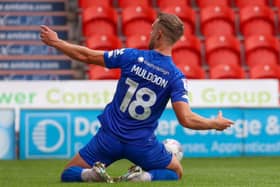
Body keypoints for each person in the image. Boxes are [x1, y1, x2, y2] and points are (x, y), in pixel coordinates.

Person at [40, 13, 234, 183]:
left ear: (159, 34)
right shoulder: (176, 76)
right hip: (142, 144)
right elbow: (186, 119)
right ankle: (142, 177)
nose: (150, 34)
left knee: (69, 173)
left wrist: (57, 42)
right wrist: (214, 124)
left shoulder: (131, 56)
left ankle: (91, 175)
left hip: (108, 139)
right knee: (176, 172)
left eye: (152, 30)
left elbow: (88, 56)